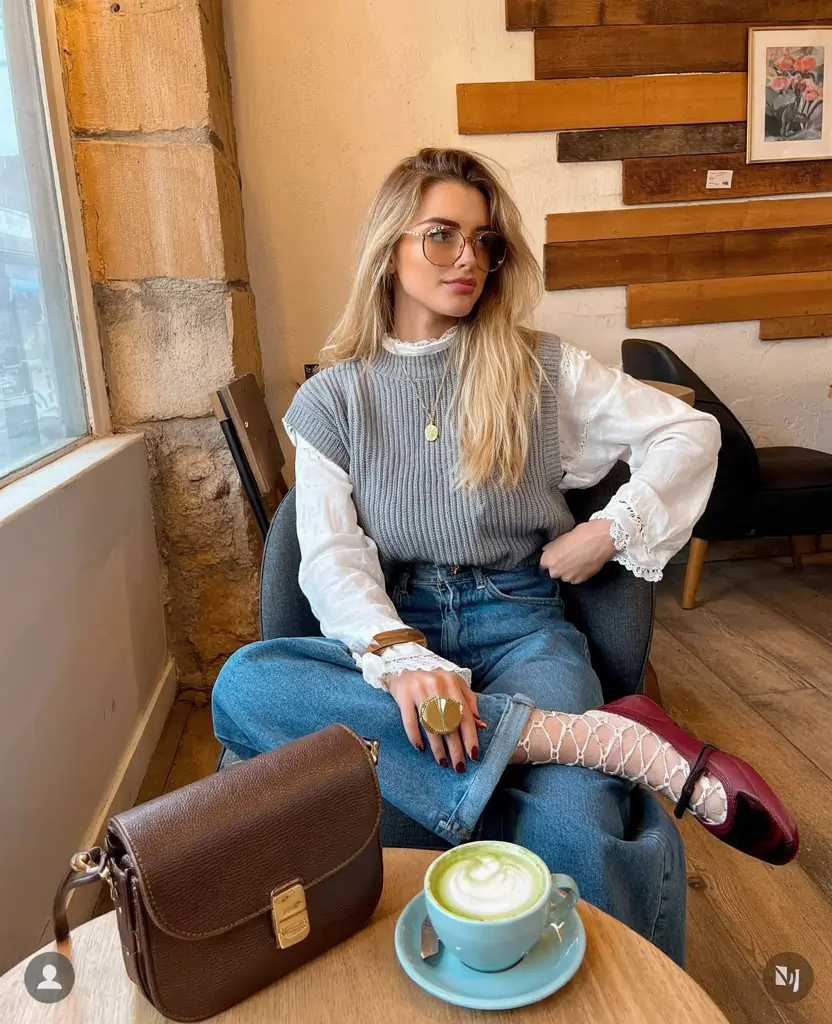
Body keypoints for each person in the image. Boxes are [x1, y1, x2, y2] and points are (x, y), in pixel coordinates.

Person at [212, 148, 797, 967]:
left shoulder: (538, 368)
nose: (468, 259)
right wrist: (402, 659)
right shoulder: (333, 398)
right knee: (246, 683)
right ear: (389, 246)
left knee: (574, 834)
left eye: (484, 242)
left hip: (522, 624)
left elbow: (688, 431)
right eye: (441, 235)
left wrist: (608, 530)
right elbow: (332, 556)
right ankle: (602, 743)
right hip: (397, 622)